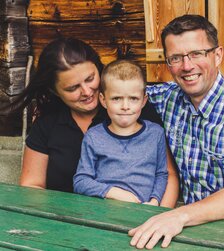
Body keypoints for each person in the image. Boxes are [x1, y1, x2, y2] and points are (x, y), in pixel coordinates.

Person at [128, 14, 224, 249]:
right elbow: (123, 92)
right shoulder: (168, 97)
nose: (186, 66)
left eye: (196, 54)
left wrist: (177, 216)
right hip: (197, 225)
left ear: (217, 55)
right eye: (176, 58)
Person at [0, 37, 178, 208]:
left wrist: (159, 216)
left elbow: (166, 174)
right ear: (54, 91)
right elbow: (31, 187)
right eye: (73, 88)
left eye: (90, 79)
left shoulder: (132, 111)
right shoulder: (48, 124)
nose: (86, 91)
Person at [73, 60, 168, 206]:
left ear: (143, 101)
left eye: (133, 99)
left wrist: (154, 201)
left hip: (143, 211)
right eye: (117, 99)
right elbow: (80, 181)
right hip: (103, 210)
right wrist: (114, 193)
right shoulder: (93, 136)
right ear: (104, 101)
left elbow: (161, 174)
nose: (125, 106)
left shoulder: (156, 134)